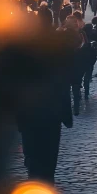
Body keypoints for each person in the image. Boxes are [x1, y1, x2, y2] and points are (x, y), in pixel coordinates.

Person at [18, 25, 73, 183]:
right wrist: (66, 117)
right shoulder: (56, 67)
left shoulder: (24, 68)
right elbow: (63, 91)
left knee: (33, 153)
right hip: (50, 118)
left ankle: (35, 176)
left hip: (30, 118)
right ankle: (46, 179)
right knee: (49, 153)